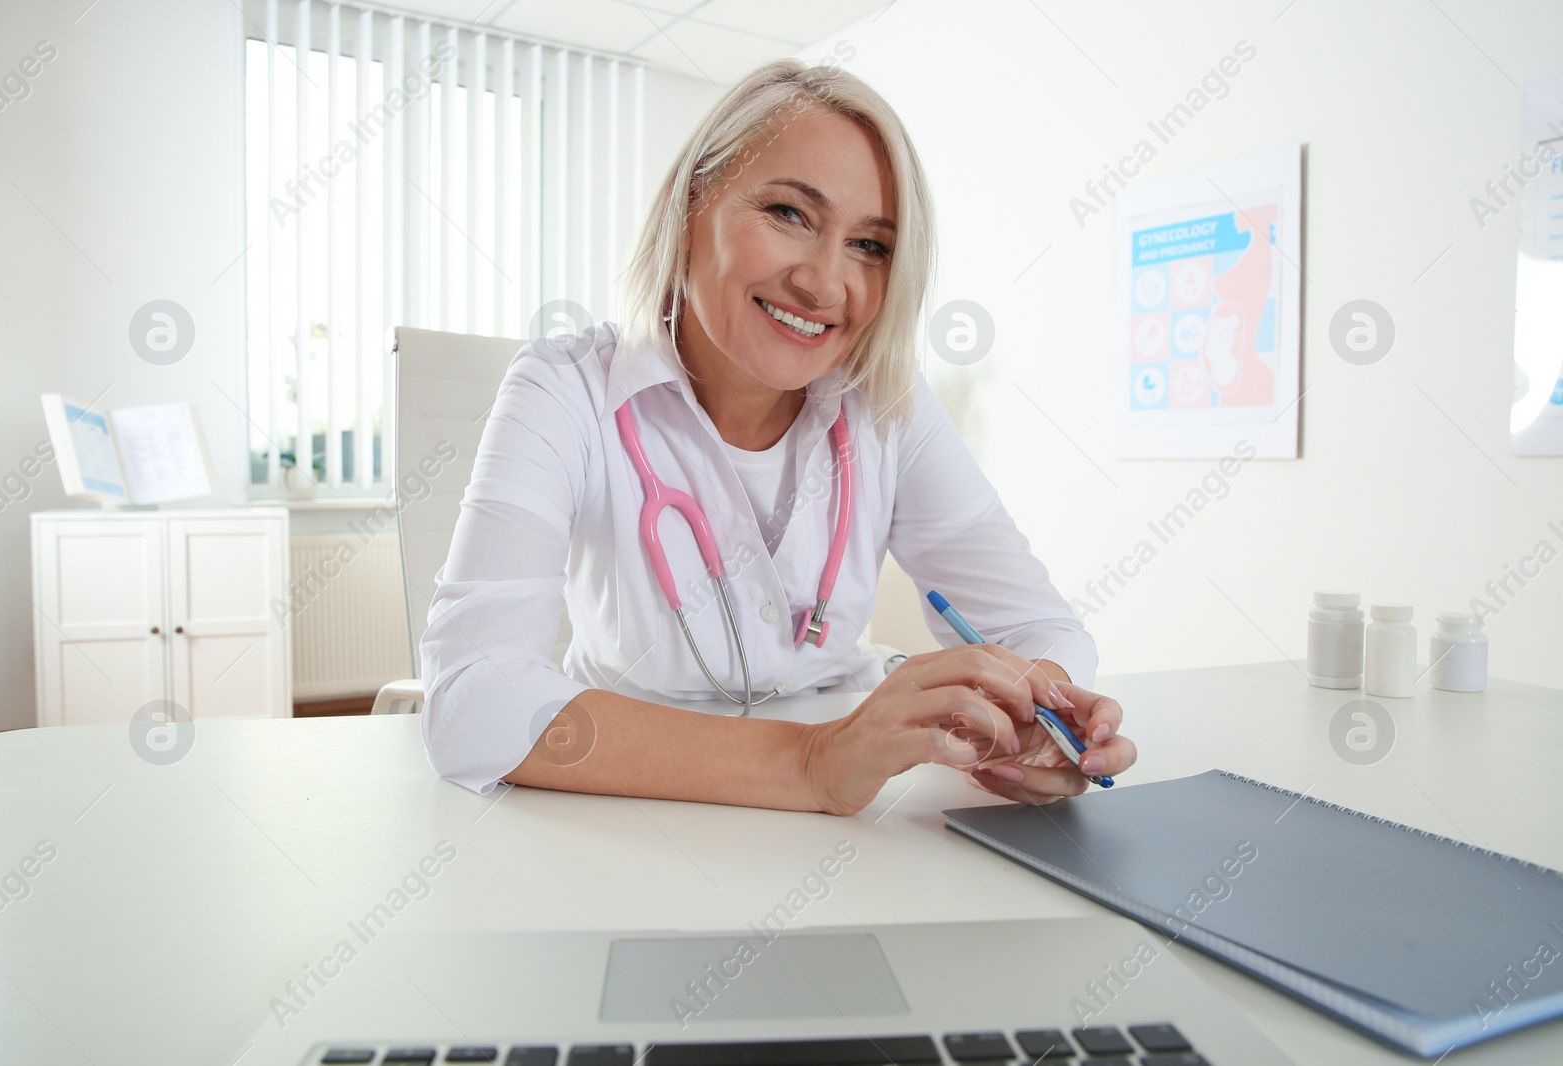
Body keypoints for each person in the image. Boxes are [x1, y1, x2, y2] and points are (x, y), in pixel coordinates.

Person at [420, 58, 1136, 815]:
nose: (825, 285)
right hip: (622, 810)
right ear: (695, 202)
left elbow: (1038, 625)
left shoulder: (886, 404)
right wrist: (812, 764)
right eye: (790, 214)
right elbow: (475, 701)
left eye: (871, 246)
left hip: (851, 826)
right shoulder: (565, 386)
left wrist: (1035, 716)